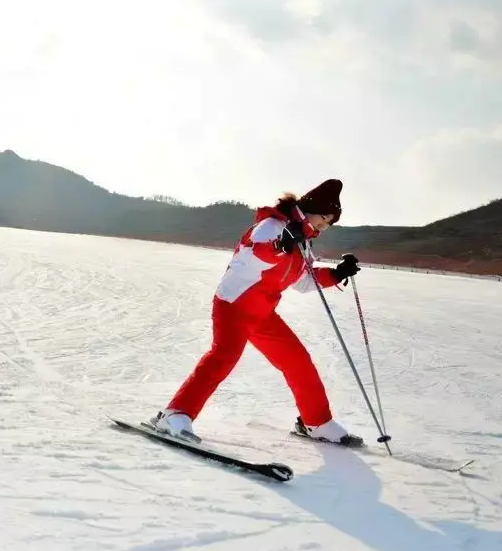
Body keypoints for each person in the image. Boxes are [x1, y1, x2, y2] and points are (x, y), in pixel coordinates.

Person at [151, 178, 362, 445]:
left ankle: (317, 422)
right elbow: (254, 255)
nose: (324, 225)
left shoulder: (302, 242)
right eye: (324, 218)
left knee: (298, 362)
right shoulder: (271, 225)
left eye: (329, 223)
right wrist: (280, 247)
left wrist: (336, 274)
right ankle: (174, 415)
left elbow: (304, 281)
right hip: (234, 303)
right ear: (310, 208)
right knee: (223, 356)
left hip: (262, 313)